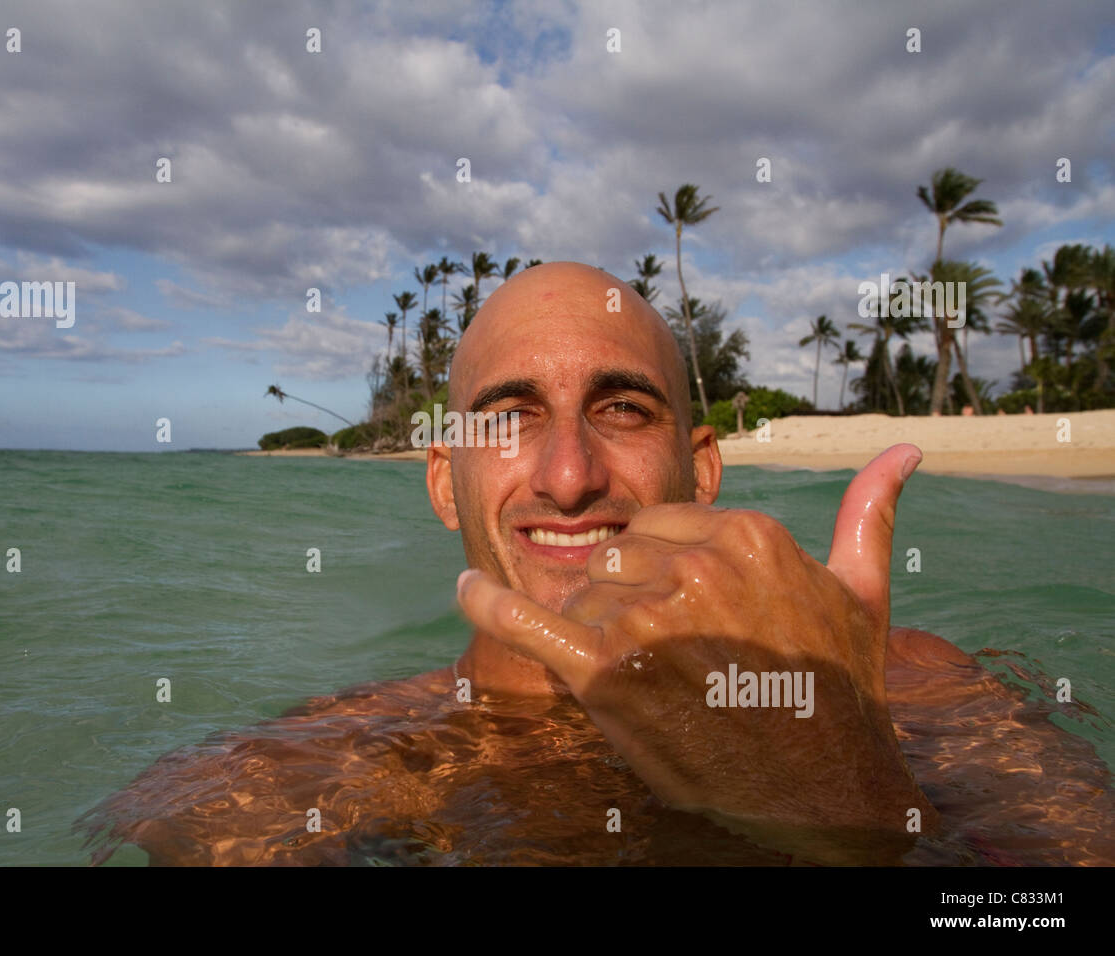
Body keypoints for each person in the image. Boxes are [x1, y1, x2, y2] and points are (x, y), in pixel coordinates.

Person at [79, 262, 1113, 866]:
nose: (568, 476)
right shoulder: (307, 776)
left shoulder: (911, 691)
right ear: (444, 483)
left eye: (621, 407)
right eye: (512, 417)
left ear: (699, 468)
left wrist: (854, 799)